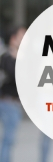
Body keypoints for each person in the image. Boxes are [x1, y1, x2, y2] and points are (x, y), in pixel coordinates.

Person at [0, 25, 26, 162]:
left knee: (10, 139)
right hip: (8, 102)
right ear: (13, 38)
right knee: (8, 139)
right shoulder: (5, 58)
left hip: (16, 103)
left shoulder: (25, 57)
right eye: (22, 35)